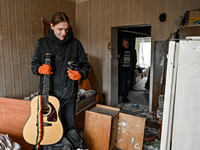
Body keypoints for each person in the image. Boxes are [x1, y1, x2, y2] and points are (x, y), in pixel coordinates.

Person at [31, 12, 90, 149]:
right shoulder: (41, 43)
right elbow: (34, 65)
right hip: (48, 95)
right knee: (49, 129)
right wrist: (40, 69)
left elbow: (85, 65)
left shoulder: (75, 44)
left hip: (69, 92)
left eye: (66, 29)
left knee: (69, 126)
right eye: (60, 29)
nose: (64, 33)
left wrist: (80, 74)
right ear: (51, 26)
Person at [118, 38, 137, 103]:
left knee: (128, 84)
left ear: (127, 42)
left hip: (129, 70)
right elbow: (118, 58)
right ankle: (124, 97)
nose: (122, 43)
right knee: (123, 84)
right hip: (122, 69)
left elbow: (134, 60)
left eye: (123, 42)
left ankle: (125, 96)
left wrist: (133, 68)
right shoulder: (120, 50)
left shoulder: (132, 50)